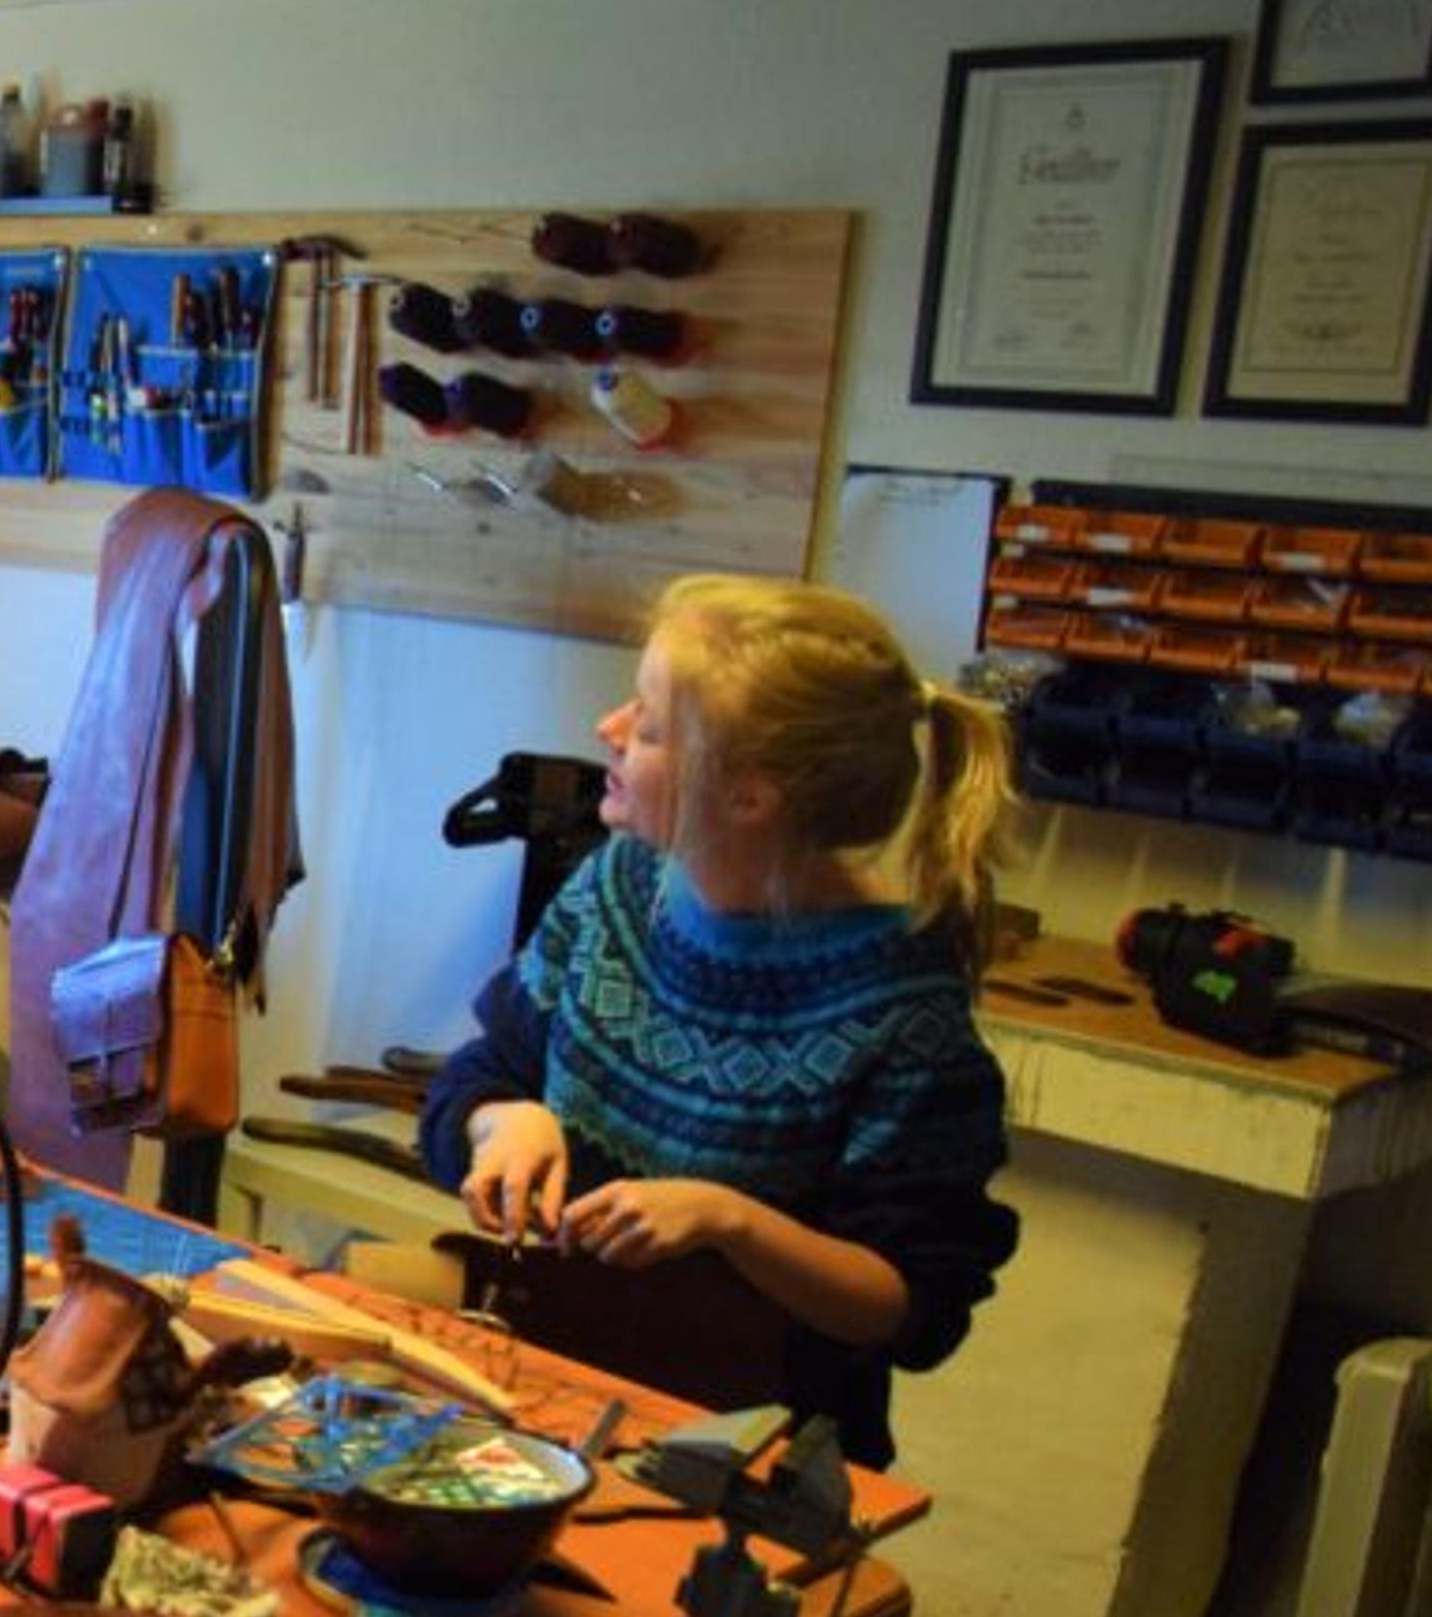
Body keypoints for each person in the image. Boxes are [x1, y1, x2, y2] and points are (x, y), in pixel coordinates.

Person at [415, 573, 1021, 1469]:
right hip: (556, 1396)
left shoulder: (900, 1010)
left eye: (652, 727)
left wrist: (730, 1221)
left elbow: (907, 1308)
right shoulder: (616, 890)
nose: (609, 727)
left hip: (749, 1454)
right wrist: (504, 1120)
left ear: (748, 796)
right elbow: (473, 1082)